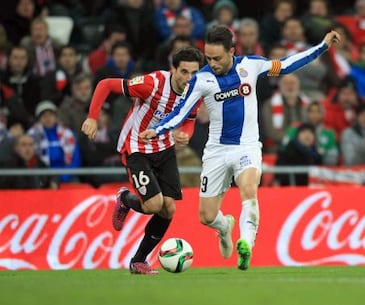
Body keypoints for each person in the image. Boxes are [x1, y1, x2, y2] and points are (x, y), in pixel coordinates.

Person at [139, 26, 341, 270]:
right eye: (208, 58)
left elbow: (286, 65)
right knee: (207, 217)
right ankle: (225, 227)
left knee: (248, 189)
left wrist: (323, 45)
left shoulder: (251, 65)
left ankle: (246, 244)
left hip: (247, 147)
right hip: (216, 151)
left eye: (217, 58)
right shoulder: (201, 80)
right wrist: (158, 129)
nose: (212, 63)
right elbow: (179, 113)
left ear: (232, 51)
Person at [81, 47, 204, 275]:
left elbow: (190, 119)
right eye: (184, 72)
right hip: (137, 148)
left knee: (168, 209)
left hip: (165, 149)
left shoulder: (196, 90)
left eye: (193, 73)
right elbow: (106, 84)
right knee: (154, 205)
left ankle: (139, 261)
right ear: (173, 69)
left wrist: (185, 133)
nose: (188, 78)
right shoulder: (153, 83)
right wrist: (92, 117)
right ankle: (126, 199)